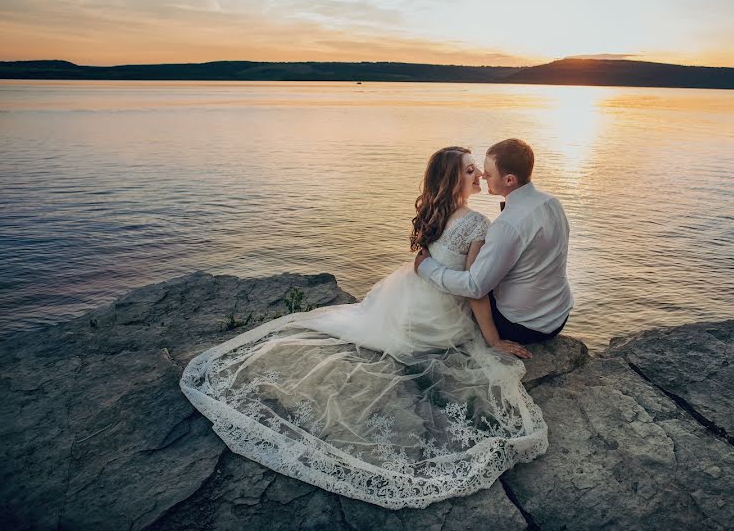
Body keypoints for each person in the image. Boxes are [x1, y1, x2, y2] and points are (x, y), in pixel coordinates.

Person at [180, 146, 547, 510]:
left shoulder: (435, 212)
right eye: (470, 171)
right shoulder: (477, 224)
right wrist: (493, 339)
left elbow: (432, 265)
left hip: (406, 297)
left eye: (478, 170)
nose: (479, 175)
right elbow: (475, 293)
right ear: (453, 180)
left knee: (357, 323)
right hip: (435, 314)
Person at [415, 138, 573, 344]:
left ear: (509, 180)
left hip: (524, 325)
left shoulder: (506, 225)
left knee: (468, 288)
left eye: (488, 173)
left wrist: (427, 267)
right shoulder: (552, 202)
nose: (482, 175)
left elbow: (476, 287)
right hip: (558, 314)